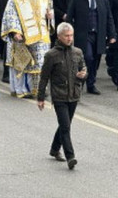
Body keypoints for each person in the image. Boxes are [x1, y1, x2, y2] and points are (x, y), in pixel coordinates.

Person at [37, 22, 86, 170]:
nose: (69, 38)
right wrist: (40, 98)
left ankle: (54, 149)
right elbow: (44, 77)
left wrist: (83, 74)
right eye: (66, 36)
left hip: (74, 95)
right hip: (59, 96)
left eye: (71, 35)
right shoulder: (51, 55)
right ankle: (70, 156)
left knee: (65, 125)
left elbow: (83, 67)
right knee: (65, 127)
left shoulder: (77, 52)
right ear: (59, 36)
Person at [1, 0, 53, 98]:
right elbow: (10, 15)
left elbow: (48, 10)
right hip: (23, 36)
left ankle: (38, 89)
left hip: (40, 35)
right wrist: (16, 32)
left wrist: (50, 16)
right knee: (23, 63)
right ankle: (22, 89)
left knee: (40, 63)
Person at [66, 0, 116, 95]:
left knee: (96, 60)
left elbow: (109, 17)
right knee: (87, 57)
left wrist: (112, 34)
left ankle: (91, 84)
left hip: (98, 34)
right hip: (83, 34)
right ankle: (80, 81)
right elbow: (69, 17)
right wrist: (70, 33)